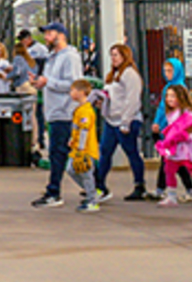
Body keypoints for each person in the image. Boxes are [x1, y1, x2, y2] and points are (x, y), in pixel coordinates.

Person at [29, 23, 85, 208]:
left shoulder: (70, 57)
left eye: (49, 33)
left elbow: (74, 84)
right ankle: (98, 186)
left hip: (65, 112)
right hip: (55, 112)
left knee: (58, 153)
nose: (45, 37)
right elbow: (53, 82)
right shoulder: (52, 57)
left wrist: (48, 82)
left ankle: (54, 192)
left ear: (61, 35)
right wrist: (40, 83)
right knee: (66, 153)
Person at [94, 43, 150, 202]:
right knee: (105, 152)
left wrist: (126, 121)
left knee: (131, 152)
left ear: (124, 56)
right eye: (111, 55)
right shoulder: (113, 74)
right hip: (112, 120)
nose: (113, 58)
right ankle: (100, 185)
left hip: (126, 120)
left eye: (116, 55)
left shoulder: (130, 74)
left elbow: (132, 99)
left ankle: (140, 185)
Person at [155, 84, 192, 208]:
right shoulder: (171, 113)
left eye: (172, 96)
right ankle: (171, 196)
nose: (169, 99)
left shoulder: (186, 112)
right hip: (175, 145)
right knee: (169, 169)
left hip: (187, 145)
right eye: (167, 96)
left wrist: (185, 133)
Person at [66, 80, 103, 214]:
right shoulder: (80, 109)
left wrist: (81, 148)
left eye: (73, 90)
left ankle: (92, 199)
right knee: (71, 169)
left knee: (86, 174)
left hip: (85, 150)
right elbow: (76, 128)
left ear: (81, 92)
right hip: (77, 148)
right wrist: (72, 140)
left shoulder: (86, 111)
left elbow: (84, 130)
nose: (71, 93)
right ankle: (91, 192)